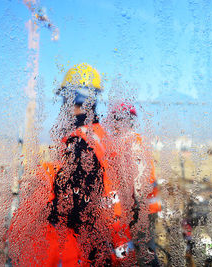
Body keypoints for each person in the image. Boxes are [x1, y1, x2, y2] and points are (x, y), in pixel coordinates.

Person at [9, 63, 135, 266]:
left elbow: (77, 208)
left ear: (72, 98)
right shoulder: (101, 136)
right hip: (116, 236)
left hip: (92, 246)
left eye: (64, 99)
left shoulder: (79, 143)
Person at [104, 101, 161, 266]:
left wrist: (135, 205)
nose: (114, 123)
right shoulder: (129, 140)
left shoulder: (130, 141)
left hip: (141, 208)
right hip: (143, 206)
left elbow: (139, 180)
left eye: (116, 119)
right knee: (141, 250)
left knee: (144, 253)